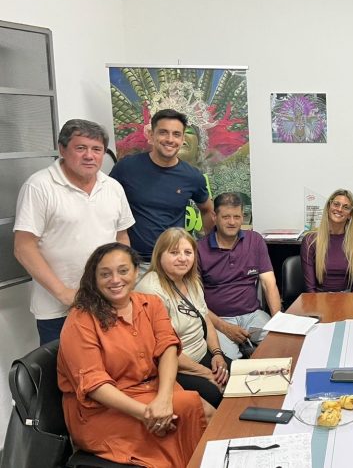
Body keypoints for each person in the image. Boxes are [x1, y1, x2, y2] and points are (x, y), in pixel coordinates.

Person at [57, 242, 212, 467]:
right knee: (194, 411)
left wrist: (163, 399)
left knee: (203, 410)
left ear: (136, 271)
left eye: (123, 271)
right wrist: (147, 413)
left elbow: (168, 348)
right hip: (105, 409)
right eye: (105, 274)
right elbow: (94, 385)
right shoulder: (80, 320)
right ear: (94, 279)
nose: (115, 280)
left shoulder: (150, 303)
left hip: (151, 391)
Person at [14, 119, 134, 344]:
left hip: (107, 301)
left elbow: (121, 236)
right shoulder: (39, 186)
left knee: (110, 362)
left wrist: (123, 280)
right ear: (62, 149)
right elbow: (23, 247)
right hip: (58, 309)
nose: (89, 156)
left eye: (96, 149)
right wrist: (64, 294)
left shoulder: (113, 187)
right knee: (65, 366)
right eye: (81, 148)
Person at [136, 228, 230, 407]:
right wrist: (205, 372)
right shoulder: (150, 290)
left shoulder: (191, 280)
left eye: (188, 252)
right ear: (159, 255)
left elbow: (205, 319)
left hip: (204, 354)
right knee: (216, 394)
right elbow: (161, 349)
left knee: (240, 378)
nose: (182, 258)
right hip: (176, 367)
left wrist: (217, 354)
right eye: (174, 253)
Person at [110, 108, 214, 265]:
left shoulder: (192, 176)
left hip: (175, 263)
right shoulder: (126, 168)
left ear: (182, 138)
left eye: (176, 134)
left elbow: (207, 210)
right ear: (151, 135)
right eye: (163, 132)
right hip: (136, 263)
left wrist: (209, 250)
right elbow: (106, 204)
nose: (170, 139)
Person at [198, 192, 282, 360]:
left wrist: (278, 322)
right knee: (229, 362)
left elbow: (269, 284)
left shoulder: (255, 240)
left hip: (253, 315)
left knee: (281, 345)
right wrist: (225, 327)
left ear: (242, 216)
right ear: (214, 216)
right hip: (219, 320)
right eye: (226, 217)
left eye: (237, 217)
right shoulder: (199, 249)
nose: (232, 222)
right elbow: (196, 301)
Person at [301, 189, 353, 292]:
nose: (340, 209)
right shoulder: (310, 240)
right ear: (328, 207)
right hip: (318, 298)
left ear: (350, 214)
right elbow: (310, 288)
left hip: (348, 298)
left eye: (346, 207)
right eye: (336, 204)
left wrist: (351, 301)